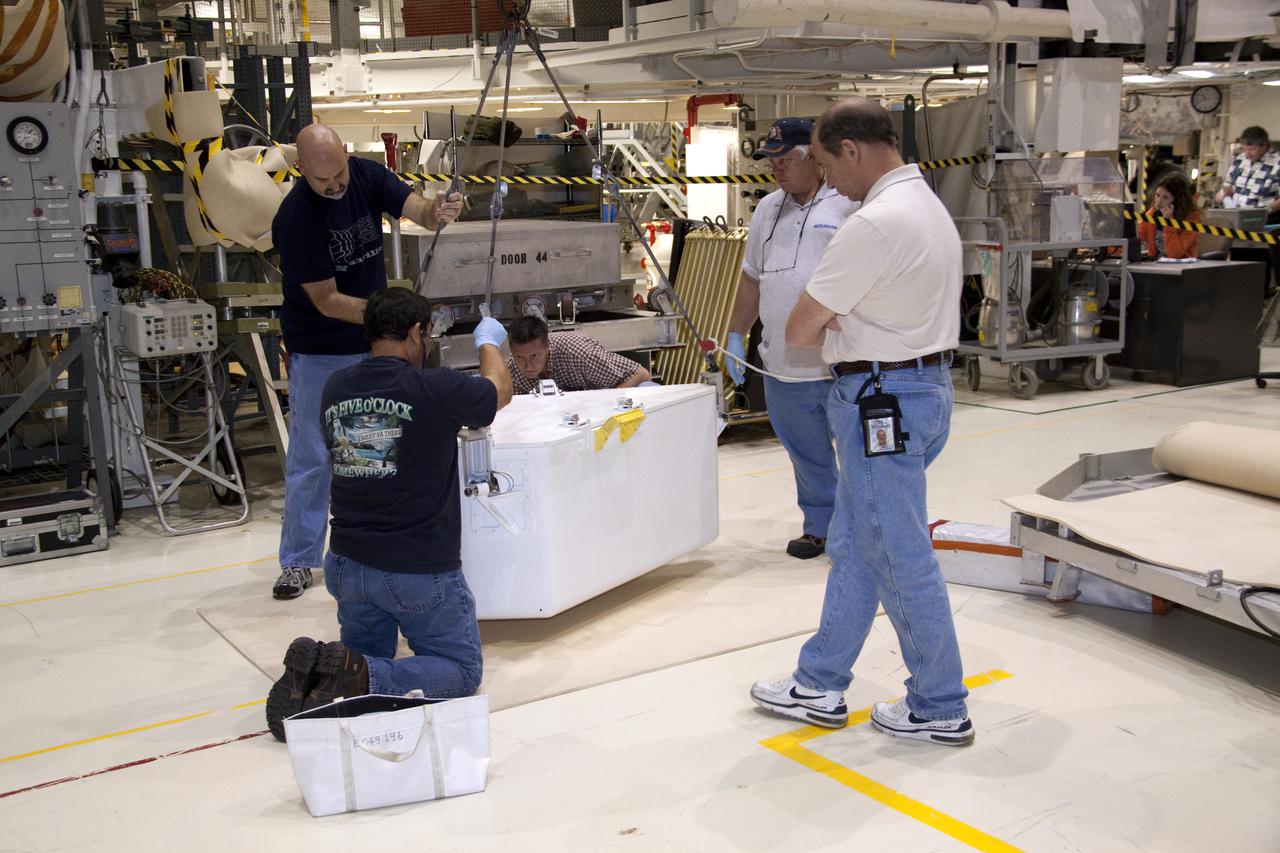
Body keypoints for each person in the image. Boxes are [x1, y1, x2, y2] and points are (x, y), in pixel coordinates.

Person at [749, 97, 973, 747]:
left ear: (852, 150)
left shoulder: (874, 223)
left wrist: (842, 321)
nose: (828, 180)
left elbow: (798, 327)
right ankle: (820, 679)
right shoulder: (927, 206)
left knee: (901, 555)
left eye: (824, 162)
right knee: (859, 542)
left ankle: (939, 702)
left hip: (881, 402)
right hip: (921, 392)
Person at [265, 289, 513, 740]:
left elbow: (375, 455)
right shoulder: (433, 388)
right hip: (416, 569)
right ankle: (362, 678)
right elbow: (498, 392)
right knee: (460, 671)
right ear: (417, 333)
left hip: (348, 567)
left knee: (361, 661)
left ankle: (335, 676)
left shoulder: (336, 386)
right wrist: (488, 343)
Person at [270, 123, 463, 600]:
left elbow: (412, 207)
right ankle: (298, 560)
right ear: (301, 170)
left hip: (374, 341)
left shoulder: (367, 176)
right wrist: (387, 315)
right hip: (321, 348)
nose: (335, 186)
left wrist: (435, 211)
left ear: (347, 157)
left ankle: (383, 545)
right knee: (315, 454)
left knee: (382, 445)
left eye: (339, 174)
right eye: (323, 181)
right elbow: (325, 299)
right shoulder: (294, 218)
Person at [725, 117, 860, 560]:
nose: (776, 169)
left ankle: (859, 529)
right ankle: (821, 526)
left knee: (860, 452)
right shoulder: (767, 209)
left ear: (816, 159)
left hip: (839, 361)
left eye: (786, 160)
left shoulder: (847, 206)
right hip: (782, 362)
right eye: (771, 161)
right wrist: (736, 332)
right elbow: (751, 278)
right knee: (806, 453)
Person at [505, 315, 651, 393]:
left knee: (647, 388)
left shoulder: (580, 354)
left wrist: (610, 403)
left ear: (548, 346)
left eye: (535, 356)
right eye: (520, 357)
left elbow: (641, 374)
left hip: (601, 409)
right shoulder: (511, 369)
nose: (528, 366)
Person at [1215, 126, 1280, 212]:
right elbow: (1227, 186)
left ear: (1265, 146)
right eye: (1244, 149)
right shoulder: (1240, 160)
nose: (1247, 154)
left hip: (1263, 218)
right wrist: (1222, 194)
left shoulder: (1277, 163)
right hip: (1235, 214)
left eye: (1252, 149)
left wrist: (1264, 211)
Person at [1139, 171, 1202, 259]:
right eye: (1157, 195)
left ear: (1177, 201)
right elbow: (1138, 236)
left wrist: (1169, 223)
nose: (1158, 202)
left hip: (1181, 267)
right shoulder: (1153, 213)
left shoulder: (1192, 219)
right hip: (1155, 264)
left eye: (1165, 197)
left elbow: (1174, 254)